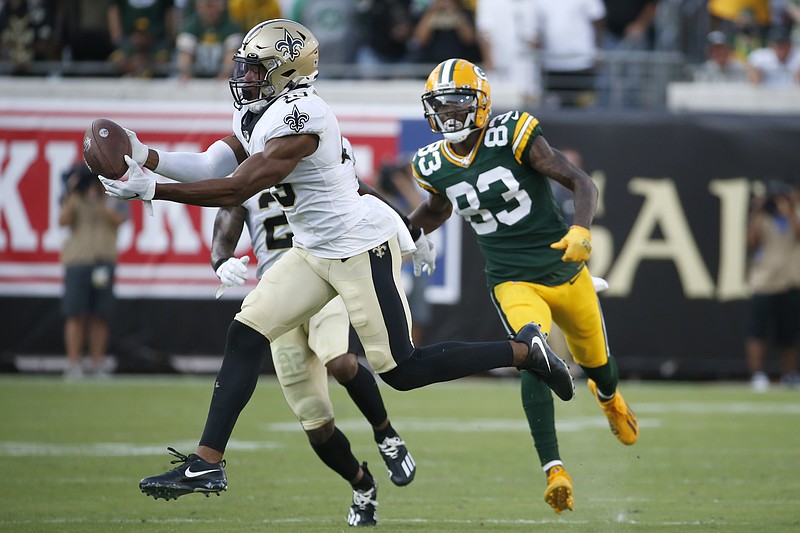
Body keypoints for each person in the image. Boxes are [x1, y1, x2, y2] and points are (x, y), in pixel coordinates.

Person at [98, 19, 574, 525]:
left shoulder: (302, 117)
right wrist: (144, 156)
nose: (243, 77)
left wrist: (153, 190)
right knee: (246, 332)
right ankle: (206, 464)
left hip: (358, 248)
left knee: (401, 371)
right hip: (311, 249)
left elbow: (237, 188)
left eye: (254, 68)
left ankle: (525, 351)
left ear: (285, 73)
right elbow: (213, 164)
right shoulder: (261, 111)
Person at [407, 58, 639, 514]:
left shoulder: (512, 133)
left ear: (481, 103)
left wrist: (582, 230)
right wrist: (407, 236)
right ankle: (555, 470)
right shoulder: (431, 163)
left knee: (598, 364)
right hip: (512, 280)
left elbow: (580, 181)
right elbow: (436, 209)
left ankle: (608, 398)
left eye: (458, 103)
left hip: (566, 272)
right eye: (441, 105)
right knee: (533, 354)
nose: (449, 114)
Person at [210, 144, 417, 524]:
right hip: (279, 295)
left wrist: (410, 230)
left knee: (339, 360)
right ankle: (362, 485)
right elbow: (228, 214)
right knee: (316, 423)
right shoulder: (250, 178)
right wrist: (221, 260)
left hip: (325, 274)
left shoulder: (312, 161)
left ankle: (386, 434)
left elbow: (362, 192)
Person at [59, 162, 128, 378]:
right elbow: (63, 220)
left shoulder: (114, 194)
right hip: (78, 260)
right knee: (75, 313)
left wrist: (98, 200)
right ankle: (73, 363)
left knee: (100, 314)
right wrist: (72, 191)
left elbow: (119, 220)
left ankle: (97, 363)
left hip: (103, 260)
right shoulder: (74, 196)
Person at [745, 180, 800, 391]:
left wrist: (789, 210)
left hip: (789, 282)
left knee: (789, 334)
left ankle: (790, 374)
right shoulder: (762, 218)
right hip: (764, 282)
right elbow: (751, 242)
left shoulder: (793, 215)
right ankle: (757, 375)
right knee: (757, 332)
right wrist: (757, 211)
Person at [175, 0, 242, 81]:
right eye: (206, 6)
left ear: (221, 6)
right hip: (196, 76)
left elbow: (231, 56)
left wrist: (224, 74)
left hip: (221, 77)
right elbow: (184, 55)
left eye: (212, 6)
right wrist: (186, 73)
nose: (209, 11)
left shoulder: (231, 27)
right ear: (198, 7)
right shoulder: (189, 26)